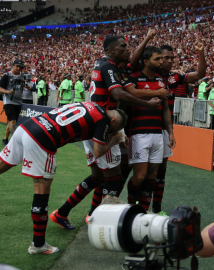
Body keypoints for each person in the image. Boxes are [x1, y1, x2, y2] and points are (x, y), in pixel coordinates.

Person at [50, 36, 163, 229]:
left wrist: (147, 38)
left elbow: (132, 61)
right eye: (123, 46)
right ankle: (100, 221)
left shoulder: (106, 64)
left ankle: (64, 213)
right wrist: (148, 104)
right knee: (114, 178)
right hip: (104, 125)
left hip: (92, 124)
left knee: (98, 177)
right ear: (111, 50)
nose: (128, 49)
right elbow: (119, 95)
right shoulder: (109, 67)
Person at [0, 102, 127, 254]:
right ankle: (38, 244)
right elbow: (99, 151)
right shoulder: (104, 120)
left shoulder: (91, 105)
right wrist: (115, 139)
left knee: (2, 164)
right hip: (42, 139)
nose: (110, 132)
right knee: (41, 191)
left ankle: (48, 231)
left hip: (27, 126)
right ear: (113, 121)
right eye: (112, 129)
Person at [152, 41, 206, 213]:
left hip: (164, 129)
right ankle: (140, 205)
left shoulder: (174, 78)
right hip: (146, 127)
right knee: (146, 172)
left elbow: (200, 74)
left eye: (171, 58)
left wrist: (201, 53)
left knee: (161, 170)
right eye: (165, 58)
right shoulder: (148, 76)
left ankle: (157, 209)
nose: (169, 61)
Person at [126, 46, 169, 211]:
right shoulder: (134, 78)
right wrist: (156, 92)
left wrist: (170, 132)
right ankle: (131, 206)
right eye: (157, 59)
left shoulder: (161, 81)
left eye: (161, 58)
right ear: (146, 61)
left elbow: (165, 109)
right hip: (138, 133)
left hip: (157, 133)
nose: (161, 61)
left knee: (152, 176)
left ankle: (142, 212)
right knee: (139, 176)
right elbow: (130, 93)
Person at [0, 59, 25, 146]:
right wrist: (8, 92)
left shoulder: (23, 76)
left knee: (11, 122)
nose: (18, 68)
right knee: (13, 122)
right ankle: (15, 142)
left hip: (18, 102)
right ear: (13, 66)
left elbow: (20, 87)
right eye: (17, 66)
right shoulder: (6, 76)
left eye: (20, 67)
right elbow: (0, 89)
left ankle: (5, 138)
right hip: (8, 101)